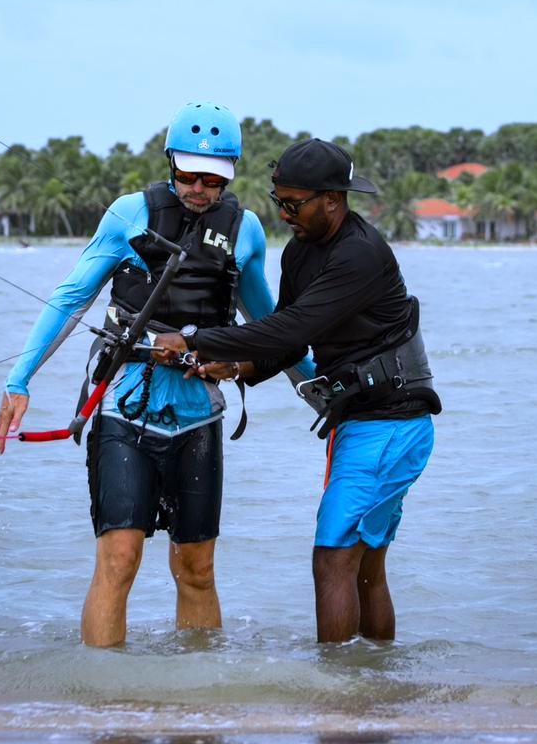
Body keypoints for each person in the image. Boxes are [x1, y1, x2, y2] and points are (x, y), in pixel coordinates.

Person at [0, 102, 275, 646]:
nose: (197, 187)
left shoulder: (246, 231)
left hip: (198, 415)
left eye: (211, 178)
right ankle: (107, 707)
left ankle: (196, 713)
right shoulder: (130, 213)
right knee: (119, 559)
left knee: (197, 568)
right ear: (171, 163)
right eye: (188, 174)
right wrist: (19, 379)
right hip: (125, 406)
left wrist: (320, 392)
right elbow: (72, 297)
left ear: (230, 174)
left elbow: (270, 325)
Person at [153, 138, 440, 643]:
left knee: (332, 561)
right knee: (365, 567)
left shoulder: (361, 255)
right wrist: (236, 367)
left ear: (332, 198)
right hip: (364, 425)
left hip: (391, 427)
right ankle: (373, 692)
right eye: (277, 201)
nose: (283, 214)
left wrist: (195, 337)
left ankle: (335, 703)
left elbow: (286, 329)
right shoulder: (303, 253)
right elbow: (288, 342)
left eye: (293, 203)